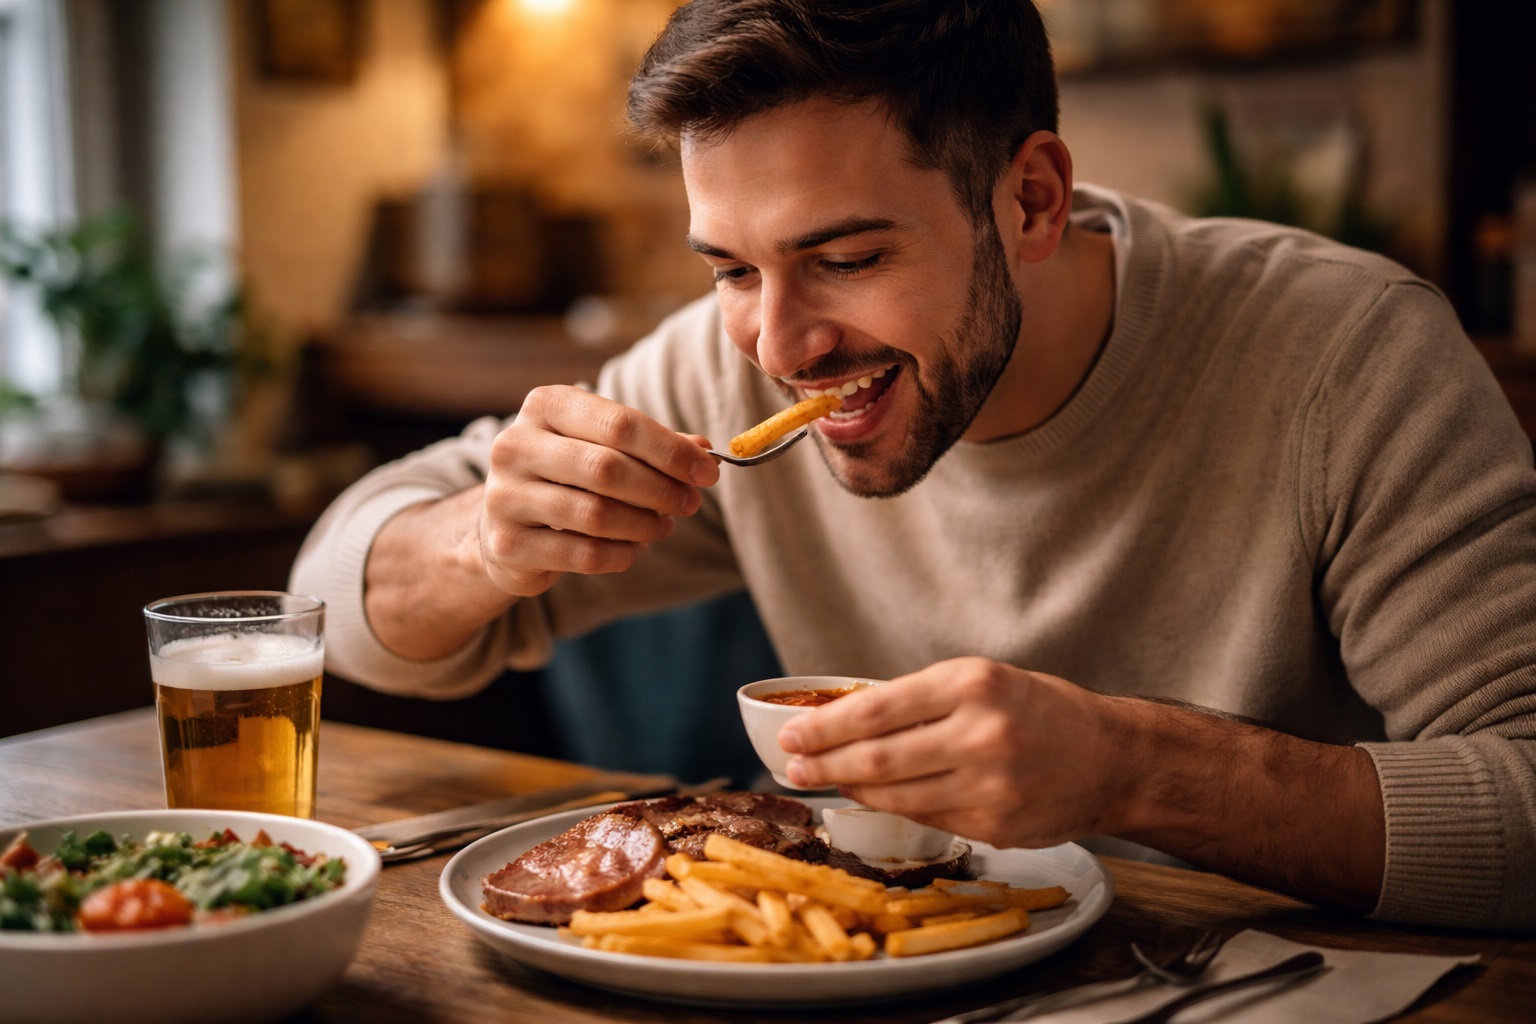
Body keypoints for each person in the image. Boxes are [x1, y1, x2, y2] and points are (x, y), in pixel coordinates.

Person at [291, 0, 1536, 931]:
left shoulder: (1349, 354)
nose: (780, 343)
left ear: (1033, 201)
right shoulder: (727, 372)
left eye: (846, 257)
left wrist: (1136, 767)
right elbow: (333, 603)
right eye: (729, 267)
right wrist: (484, 544)